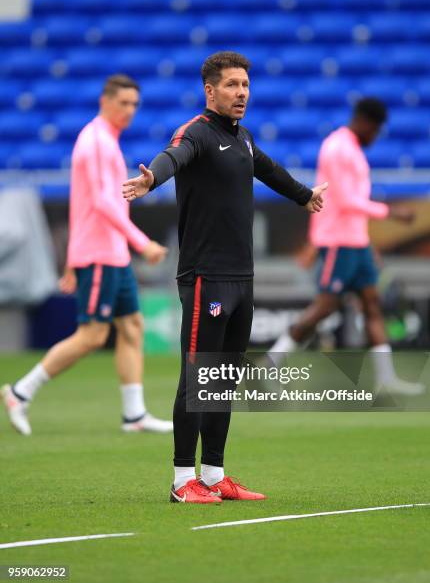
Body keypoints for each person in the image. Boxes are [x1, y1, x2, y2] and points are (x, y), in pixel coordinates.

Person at [122, 51, 327, 503]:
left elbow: (269, 170)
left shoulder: (244, 140)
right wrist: (149, 180)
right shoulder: (196, 132)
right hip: (205, 277)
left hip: (241, 277)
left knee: (223, 377)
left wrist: (303, 196)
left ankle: (213, 474)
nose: (242, 93)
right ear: (210, 90)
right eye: (233, 85)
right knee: (197, 378)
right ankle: (181, 482)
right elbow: (173, 157)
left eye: (246, 86)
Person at [1, 74, 173, 436]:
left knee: (131, 326)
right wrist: (141, 242)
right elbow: (100, 203)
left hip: (110, 253)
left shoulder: (106, 141)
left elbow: (85, 202)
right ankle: (20, 391)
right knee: (93, 335)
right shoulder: (95, 142)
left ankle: (134, 415)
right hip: (100, 253)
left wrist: (72, 261)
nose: (129, 111)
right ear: (105, 101)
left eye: (134, 105)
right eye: (123, 103)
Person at [268, 97, 424, 396]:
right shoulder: (338, 148)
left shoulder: (350, 148)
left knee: (372, 304)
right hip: (338, 241)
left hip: (356, 242)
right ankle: (271, 363)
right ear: (367, 123)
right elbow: (346, 200)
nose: (375, 138)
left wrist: (368, 242)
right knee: (326, 306)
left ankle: (386, 379)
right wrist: (391, 212)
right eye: (376, 131)